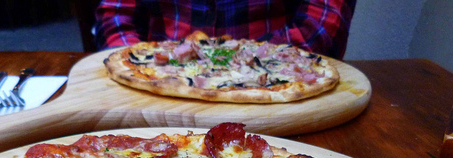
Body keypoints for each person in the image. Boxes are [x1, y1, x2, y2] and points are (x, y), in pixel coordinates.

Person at [94, 0, 357, 60]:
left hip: (274, 77)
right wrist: (141, 62)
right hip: (157, 75)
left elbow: (321, 26)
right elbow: (115, 14)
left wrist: (237, 62)